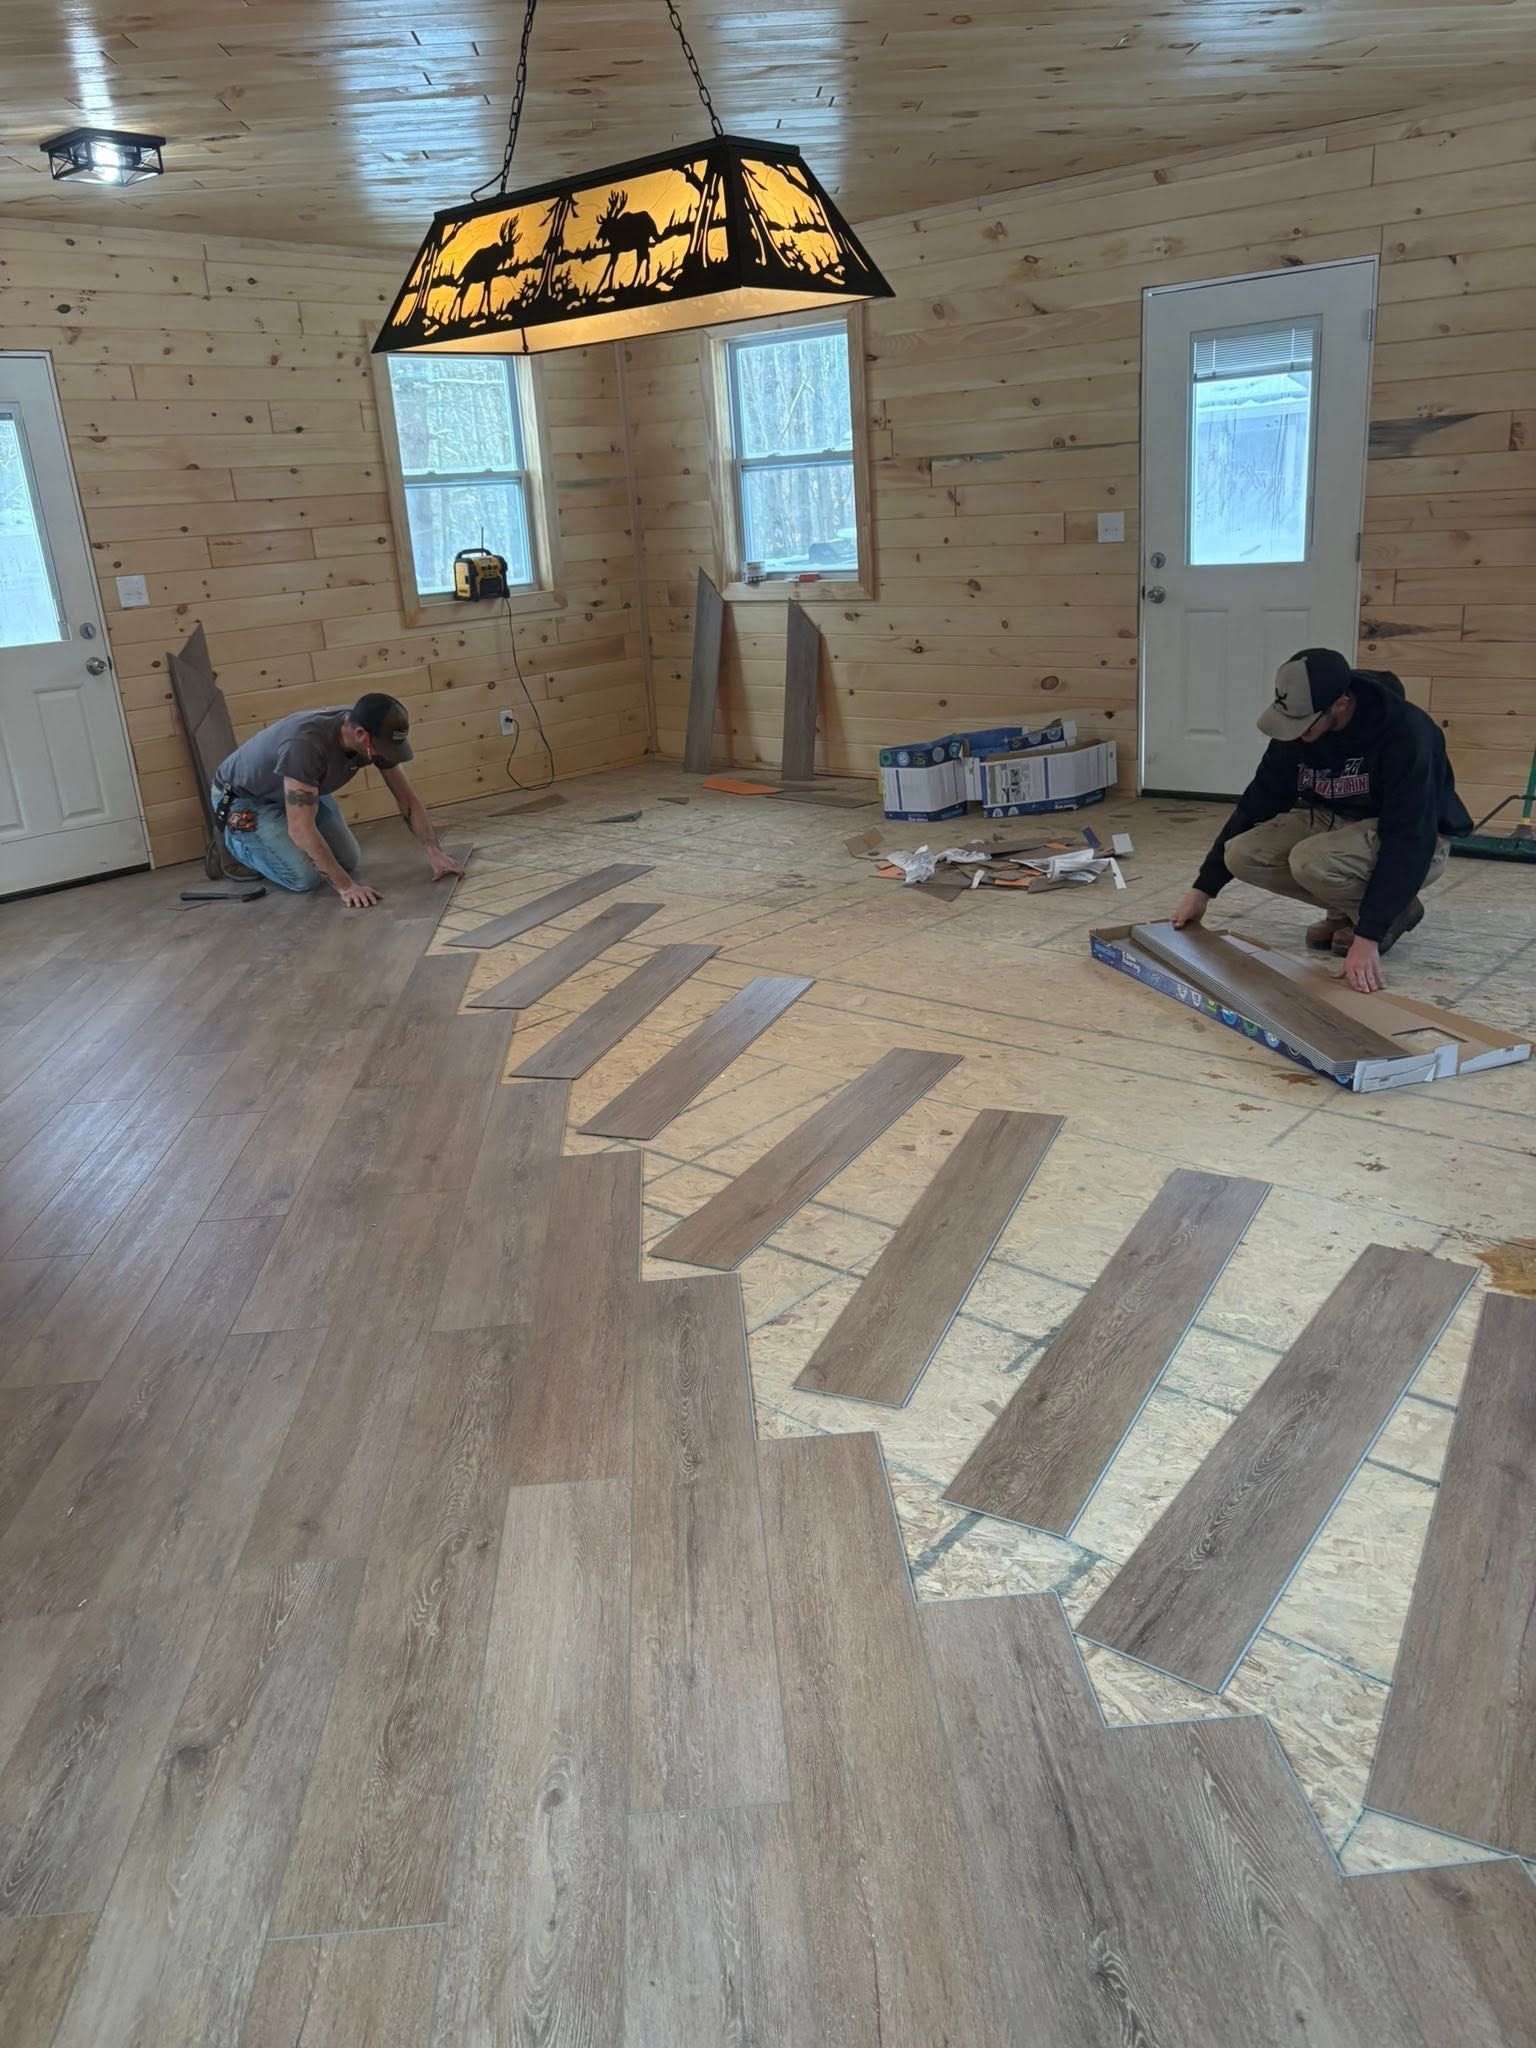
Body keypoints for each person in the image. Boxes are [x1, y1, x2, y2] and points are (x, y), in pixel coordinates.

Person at [1170, 648, 1471, 993]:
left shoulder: (1407, 733)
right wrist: (1203, 890)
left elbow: (1409, 836)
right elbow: (1257, 804)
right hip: (1337, 821)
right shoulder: (1299, 729)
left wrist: (1368, 937)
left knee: (1311, 861)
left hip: (1419, 839)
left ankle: (1387, 914)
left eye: (1304, 725)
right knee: (1240, 853)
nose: (1296, 734)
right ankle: (1356, 910)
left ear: (1341, 704)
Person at [211, 693, 465, 908]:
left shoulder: (372, 733)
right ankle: (236, 845)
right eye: (382, 748)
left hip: (299, 791)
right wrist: (346, 887)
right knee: (304, 879)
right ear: (360, 733)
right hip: (246, 800)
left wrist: (434, 851)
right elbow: (300, 829)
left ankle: (273, 841)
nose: (386, 755)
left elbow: (406, 797)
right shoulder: (305, 745)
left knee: (348, 859)